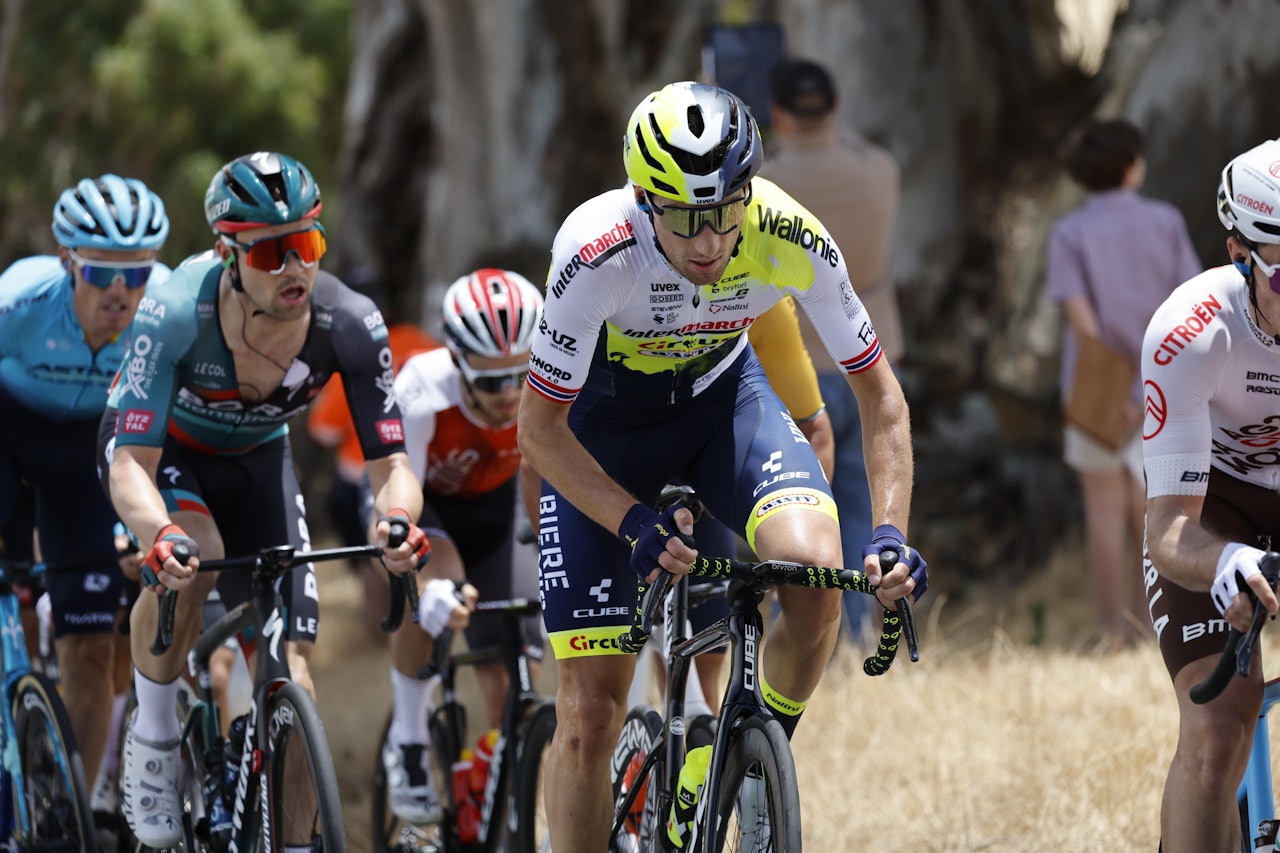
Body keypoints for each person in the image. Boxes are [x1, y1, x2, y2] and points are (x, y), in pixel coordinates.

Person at [518, 81, 926, 852]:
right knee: (590, 717)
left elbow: (882, 397)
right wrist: (630, 519)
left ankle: (738, 762)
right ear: (645, 203)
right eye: (684, 218)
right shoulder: (597, 249)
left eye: (726, 211)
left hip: (722, 406)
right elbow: (537, 430)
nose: (709, 241)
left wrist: (889, 533)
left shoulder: (786, 230)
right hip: (602, 436)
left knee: (814, 576)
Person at [97, 151, 429, 848]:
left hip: (258, 460)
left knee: (293, 674)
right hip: (167, 453)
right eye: (272, 252)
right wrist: (158, 533)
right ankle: (153, 739)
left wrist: (397, 519)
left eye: (307, 243)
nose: (294, 267)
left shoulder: (349, 322)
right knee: (195, 555)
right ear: (227, 254)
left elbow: (392, 465)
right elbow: (129, 463)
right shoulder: (176, 311)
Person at [0, 174, 170, 820]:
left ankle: (69, 819)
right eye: (101, 272)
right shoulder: (19, 302)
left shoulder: (165, 312)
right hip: (9, 431)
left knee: (93, 646)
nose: (120, 292)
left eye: (138, 273)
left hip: (90, 454)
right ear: (67, 261)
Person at [1142, 137, 1280, 852]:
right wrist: (1224, 560)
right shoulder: (1191, 330)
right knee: (1218, 731)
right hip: (1214, 506)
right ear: (1239, 254)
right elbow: (1168, 528)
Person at [376, 267, 546, 824]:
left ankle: (497, 794)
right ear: (457, 361)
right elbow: (400, 489)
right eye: (493, 382)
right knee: (437, 594)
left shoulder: (560, 373)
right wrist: (424, 581)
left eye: (522, 375)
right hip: (423, 504)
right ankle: (408, 740)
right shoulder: (422, 391)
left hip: (497, 508)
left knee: (512, 660)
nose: (511, 393)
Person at [764, 58, 906, 647]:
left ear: (777, 114)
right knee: (859, 504)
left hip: (793, 364)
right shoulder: (879, 170)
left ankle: (797, 637)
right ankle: (855, 634)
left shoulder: (766, 181)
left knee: (790, 510)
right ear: (835, 107)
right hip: (871, 354)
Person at [1047, 118, 1200, 647]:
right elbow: (1187, 311)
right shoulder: (1166, 222)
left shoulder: (1069, 233)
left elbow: (1083, 325)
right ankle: (1147, 628)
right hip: (1163, 388)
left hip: (1095, 391)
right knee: (1152, 511)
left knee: (1103, 512)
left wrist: (1116, 392)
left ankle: (1109, 631)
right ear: (1133, 167)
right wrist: (1143, 390)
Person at [306, 271, 442, 642]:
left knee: (372, 562)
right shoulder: (424, 343)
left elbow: (322, 430)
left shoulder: (349, 349)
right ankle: (416, 626)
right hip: (430, 470)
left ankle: (384, 638)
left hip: (361, 478)